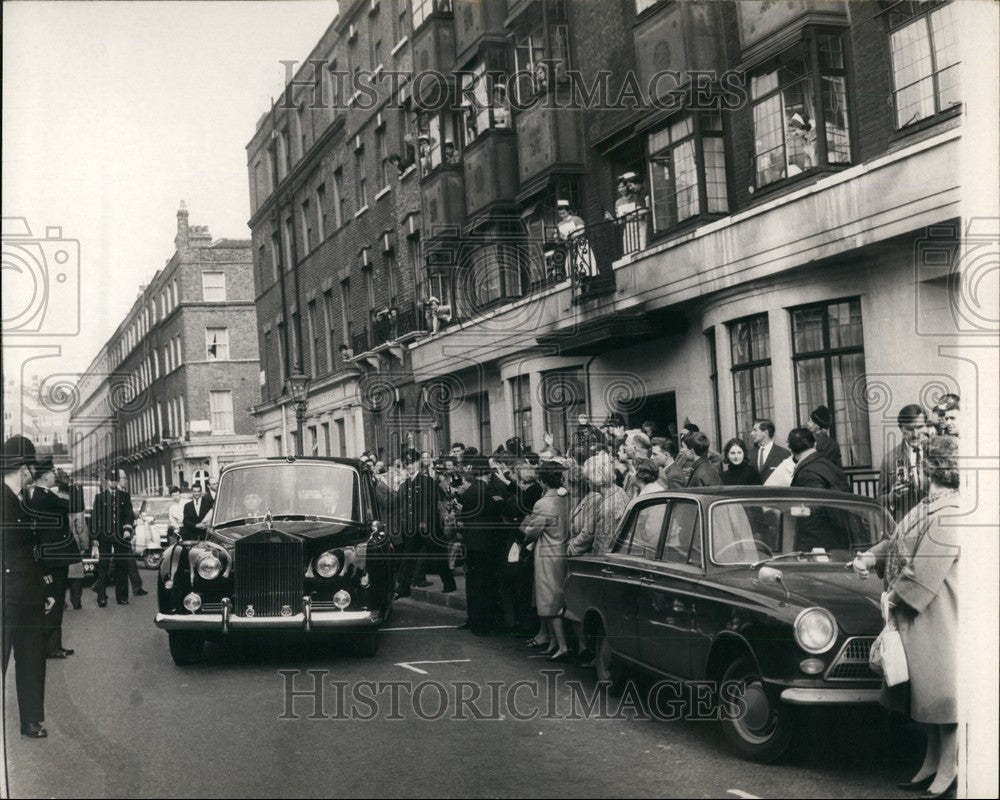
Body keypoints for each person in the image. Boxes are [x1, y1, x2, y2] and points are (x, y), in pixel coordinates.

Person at [852, 436, 959, 798]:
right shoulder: (927, 505)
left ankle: (949, 767)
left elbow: (924, 571)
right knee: (928, 695)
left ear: (931, 467)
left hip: (941, 615)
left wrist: (892, 596)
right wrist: (870, 556)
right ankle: (932, 762)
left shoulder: (951, 511)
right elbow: (898, 541)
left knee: (944, 696)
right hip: (926, 614)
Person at [1, 435, 56, 738]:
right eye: (30, 468)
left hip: (28, 593)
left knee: (32, 658)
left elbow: (31, 550)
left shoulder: (20, 499)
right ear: (22, 468)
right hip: (6, 594)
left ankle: (30, 719)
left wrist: (43, 590)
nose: (32, 474)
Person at [25, 457, 79, 658]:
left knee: (55, 601)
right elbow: (76, 504)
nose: (54, 476)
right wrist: (69, 483)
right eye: (52, 474)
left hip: (52, 556)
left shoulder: (38, 495)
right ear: (45, 476)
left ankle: (54, 646)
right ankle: (48, 647)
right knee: (54, 602)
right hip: (54, 557)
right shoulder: (45, 497)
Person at [447, 457, 506, 634]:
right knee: (487, 585)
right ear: (488, 473)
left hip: (471, 543)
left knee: (473, 584)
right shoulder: (490, 491)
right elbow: (501, 512)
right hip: (488, 545)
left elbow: (463, 518)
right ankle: (486, 623)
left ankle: (474, 619)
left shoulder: (468, 493)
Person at [519, 461, 571, 661]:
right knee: (555, 598)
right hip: (564, 551)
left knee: (549, 601)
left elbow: (532, 532)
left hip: (548, 555)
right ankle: (554, 642)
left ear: (541, 481)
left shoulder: (542, 504)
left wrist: (523, 524)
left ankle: (562, 645)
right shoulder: (566, 497)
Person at [395, 448, 456, 597]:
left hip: (427, 526)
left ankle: (449, 583)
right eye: (406, 464)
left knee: (437, 556)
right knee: (408, 558)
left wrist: (424, 522)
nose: (409, 466)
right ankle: (403, 587)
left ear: (418, 462)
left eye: (411, 463)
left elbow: (429, 504)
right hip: (413, 528)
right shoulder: (408, 482)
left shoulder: (426, 480)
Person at [787, 427, 852, 552]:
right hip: (841, 539)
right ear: (815, 444)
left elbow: (814, 512)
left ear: (791, 450)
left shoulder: (806, 473)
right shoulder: (829, 466)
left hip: (819, 545)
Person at [566, 452, 629, 557]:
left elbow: (602, 547)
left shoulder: (608, 505)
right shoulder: (617, 491)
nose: (586, 482)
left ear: (599, 481)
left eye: (588, 478)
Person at [91, 468, 137, 606]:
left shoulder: (124, 496)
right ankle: (102, 597)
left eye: (115, 480)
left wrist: (128, 529)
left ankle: (122, 597)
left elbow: (129, 514)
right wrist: (94, 538)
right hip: (104, 536)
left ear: (118, 481)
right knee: (103, 566)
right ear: (107, 481)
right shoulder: (100, 497)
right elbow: (94, 518)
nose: (113, 482)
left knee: (121, 565)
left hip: (121, 536)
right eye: (111, 480)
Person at [878, 404, 931, 523]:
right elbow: (880, 501)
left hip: (933, 523)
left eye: (919, 427)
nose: (915, 434)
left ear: (926, 426)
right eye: (909, 428)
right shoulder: (889, 459)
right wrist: (891, 497)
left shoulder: (936, 453)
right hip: (905, 526)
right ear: (901, 428)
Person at [118, 469, 148, 596]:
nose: (126, 480)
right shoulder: (119, 494)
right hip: (122, 532)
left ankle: (137, 586)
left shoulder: (122, 493)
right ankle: (137, 587)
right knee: (128, 560)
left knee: (126, 560)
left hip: (122, 531)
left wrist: (132, 514)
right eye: (124, 478)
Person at [554, 199, 597, 279]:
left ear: (568, 211)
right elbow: (559, 236)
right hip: (570, 247)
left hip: (580, 244)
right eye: (560, 214)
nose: (562, 215)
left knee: (584, 264)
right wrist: (560, 237)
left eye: (564, 213)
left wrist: (572, 235)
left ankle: (588, 282)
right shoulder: (559, 225)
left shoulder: (576, 219)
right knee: (571, 266)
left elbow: (581, 230)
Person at [749, 418, 791, 484]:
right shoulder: (750, 454)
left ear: (766, 432)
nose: (751, 433)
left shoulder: (784, 454)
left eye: (755, 430)